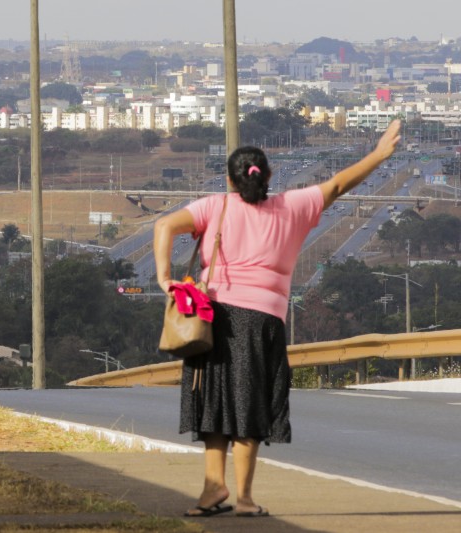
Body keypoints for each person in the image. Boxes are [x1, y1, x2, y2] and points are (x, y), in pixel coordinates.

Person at [153, 119, 401, 518]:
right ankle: (245, 499)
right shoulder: (292, 206)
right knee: (250, 406)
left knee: (214, 404)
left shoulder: (213, 206)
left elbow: (164, 224)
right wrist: (378, 154)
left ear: (230, 181)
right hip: (262, 322)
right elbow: (339, 184)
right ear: (267, 176)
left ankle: (212, 490)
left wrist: (165, 278)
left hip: (212, 316)